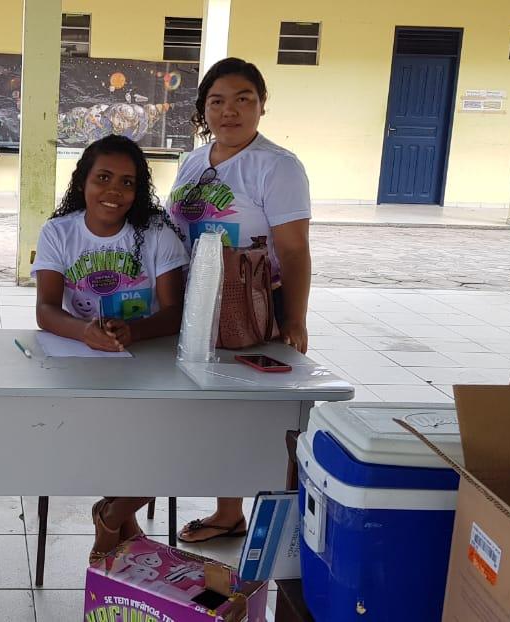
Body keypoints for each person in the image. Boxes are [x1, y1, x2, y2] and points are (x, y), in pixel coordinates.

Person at [167, 57, 312, 544]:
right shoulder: (193, 160)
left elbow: (293, 250)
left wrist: (295, 317)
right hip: (192, 297)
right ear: (203, 110)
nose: (230, 111)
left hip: (249, 302)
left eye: (243, 99)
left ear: (262, 105)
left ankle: (239, 513)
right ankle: (227, 509)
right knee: (202, 404)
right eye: (217, 101)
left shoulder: (277, 166)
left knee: (235, 405)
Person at [32, 134, 189, 562]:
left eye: (127, 182)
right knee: (107, 438)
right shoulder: (59, 232)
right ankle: (122, 519)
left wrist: (134, 332)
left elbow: (175, 313)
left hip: (153, 359)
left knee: (184, 441)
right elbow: (45, 310)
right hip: (85, 362)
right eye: (103, 178)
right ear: (83, 180)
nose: (114, 192)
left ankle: (114, 512)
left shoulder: (156, 233)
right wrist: (84, 331)